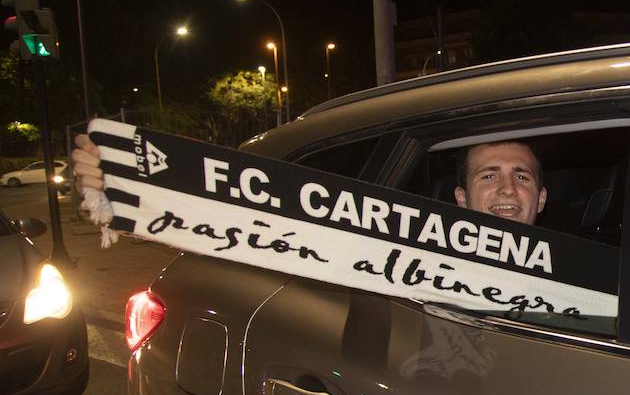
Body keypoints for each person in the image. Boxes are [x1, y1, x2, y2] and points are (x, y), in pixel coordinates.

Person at [71, 134, 548, 227]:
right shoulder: (423, 260)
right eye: (491, 175)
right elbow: (265, 221)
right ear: (461, 197)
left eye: (521, 177)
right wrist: (122, 179)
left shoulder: (597, 272)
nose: (508, 189)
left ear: (541, 197)